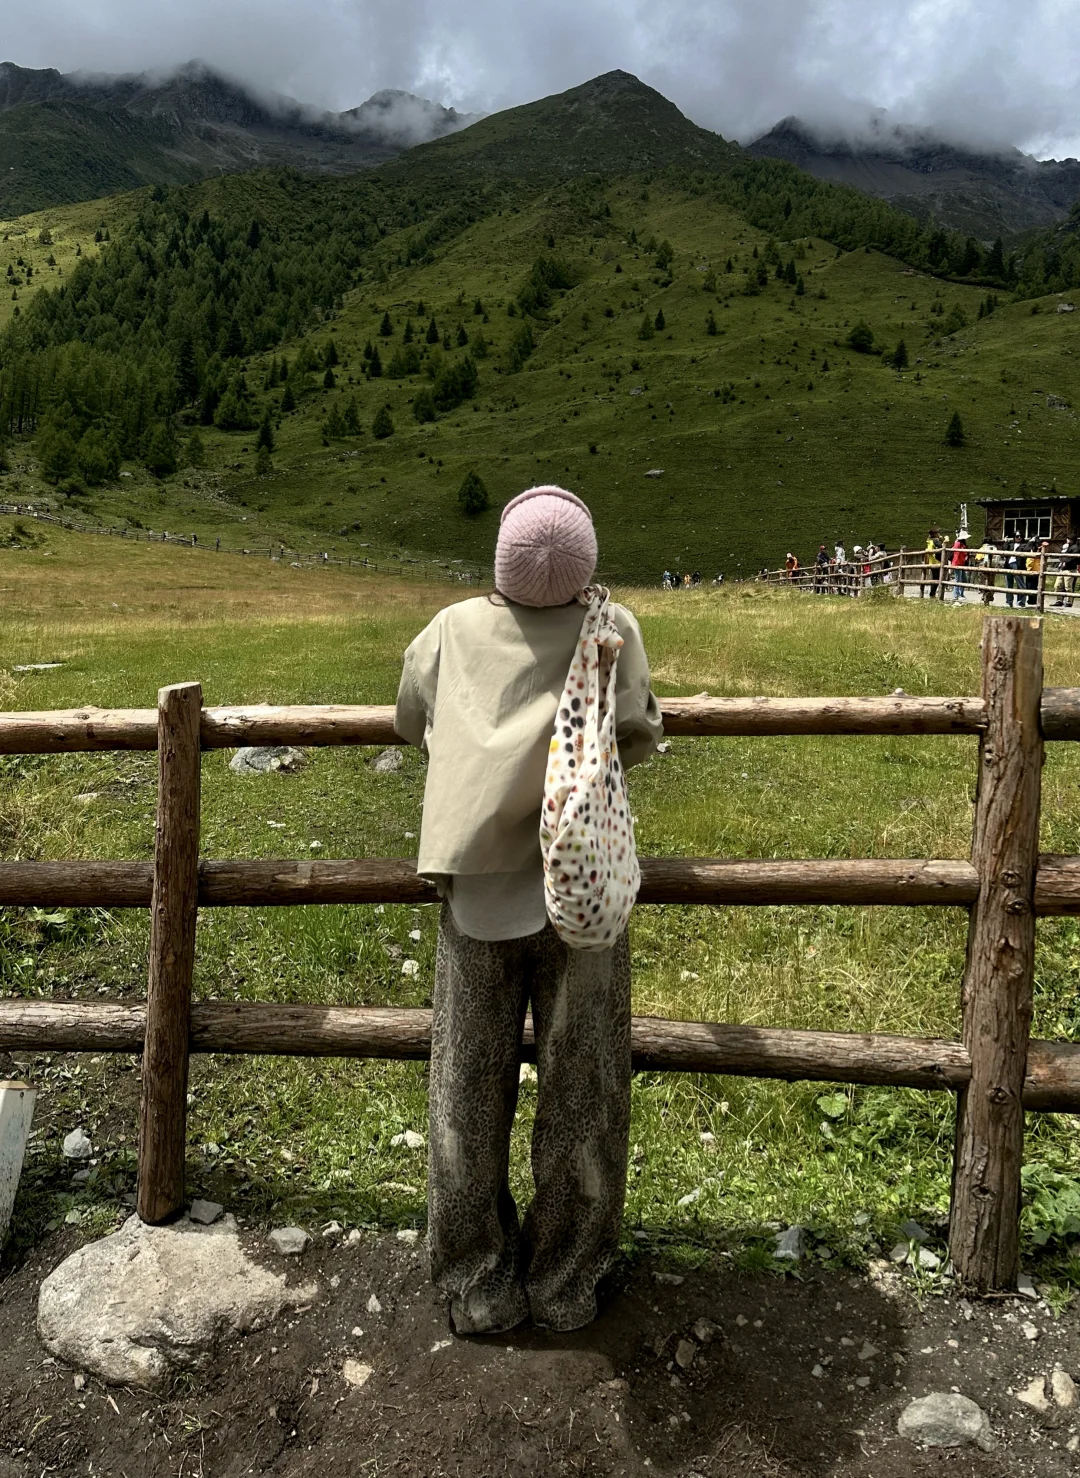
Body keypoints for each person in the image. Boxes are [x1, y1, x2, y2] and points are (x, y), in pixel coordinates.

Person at [394, 485, 662, 1335]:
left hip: (478, 888)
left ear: (503, 563)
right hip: (580, 891)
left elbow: (409, 718)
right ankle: (566, 1281)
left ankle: (476, 1281)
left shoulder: (452, 629)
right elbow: (639, 733)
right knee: (583, 1089)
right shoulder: (611, 628)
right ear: (583, 563)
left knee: (465, 1088)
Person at [949, 533, 969, 603]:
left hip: (962, 563)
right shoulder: (958, 543)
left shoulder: (963, 544)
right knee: (958, 580)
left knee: (963, 579)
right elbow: (955, 554)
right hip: (957, 563)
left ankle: (961, 594)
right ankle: (955, 595)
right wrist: (954, 565)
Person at [921, 529, 941, 599]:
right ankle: (932, 594)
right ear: (935, 534)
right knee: (937, 578)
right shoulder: (936, 541)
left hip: (931, 561)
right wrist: (944, 541)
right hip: (936, 561)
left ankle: (932, 594)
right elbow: (941, 548)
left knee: (935, 578)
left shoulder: (929, 541)